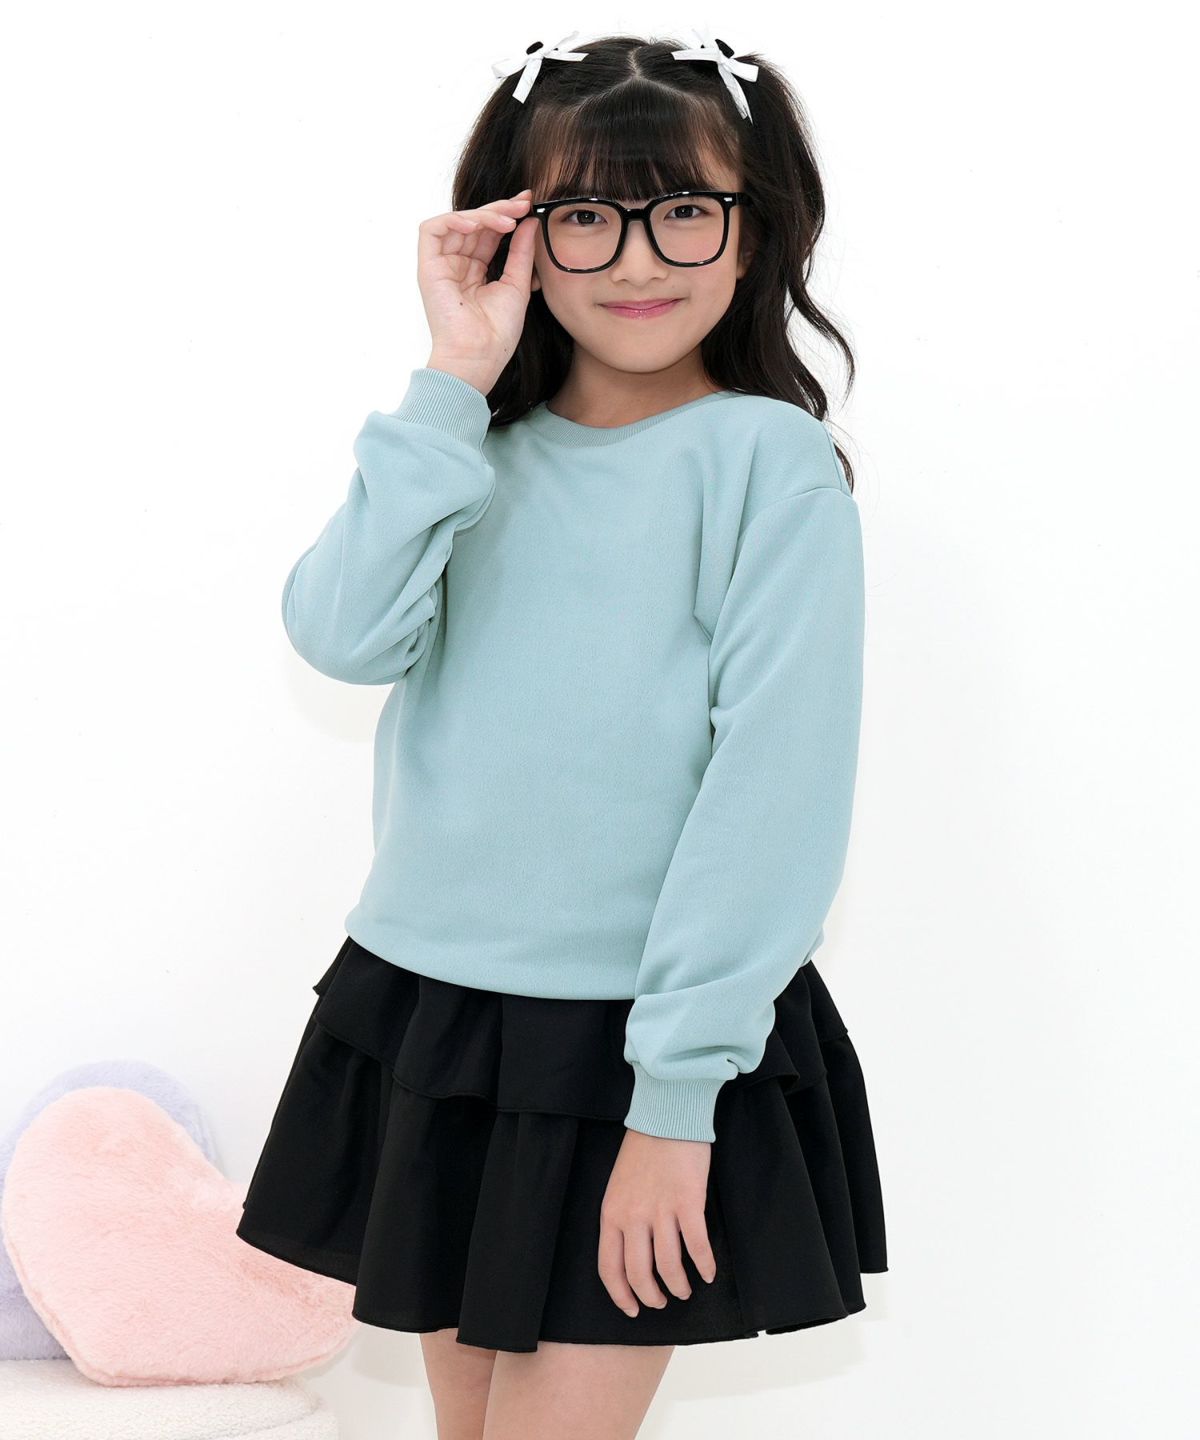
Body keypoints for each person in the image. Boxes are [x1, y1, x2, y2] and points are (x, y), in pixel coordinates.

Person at [236, 28, 888, 1439]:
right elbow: (339, 637)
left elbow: (772, 803)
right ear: (515, 231)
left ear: (757, 222)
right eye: (587, 216)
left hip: (641, 1039)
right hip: (439, 1017)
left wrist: (674, 1107)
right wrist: (450, 377)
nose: (638, 259)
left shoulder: (768, 466)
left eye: (684, 209)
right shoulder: (465, 450)